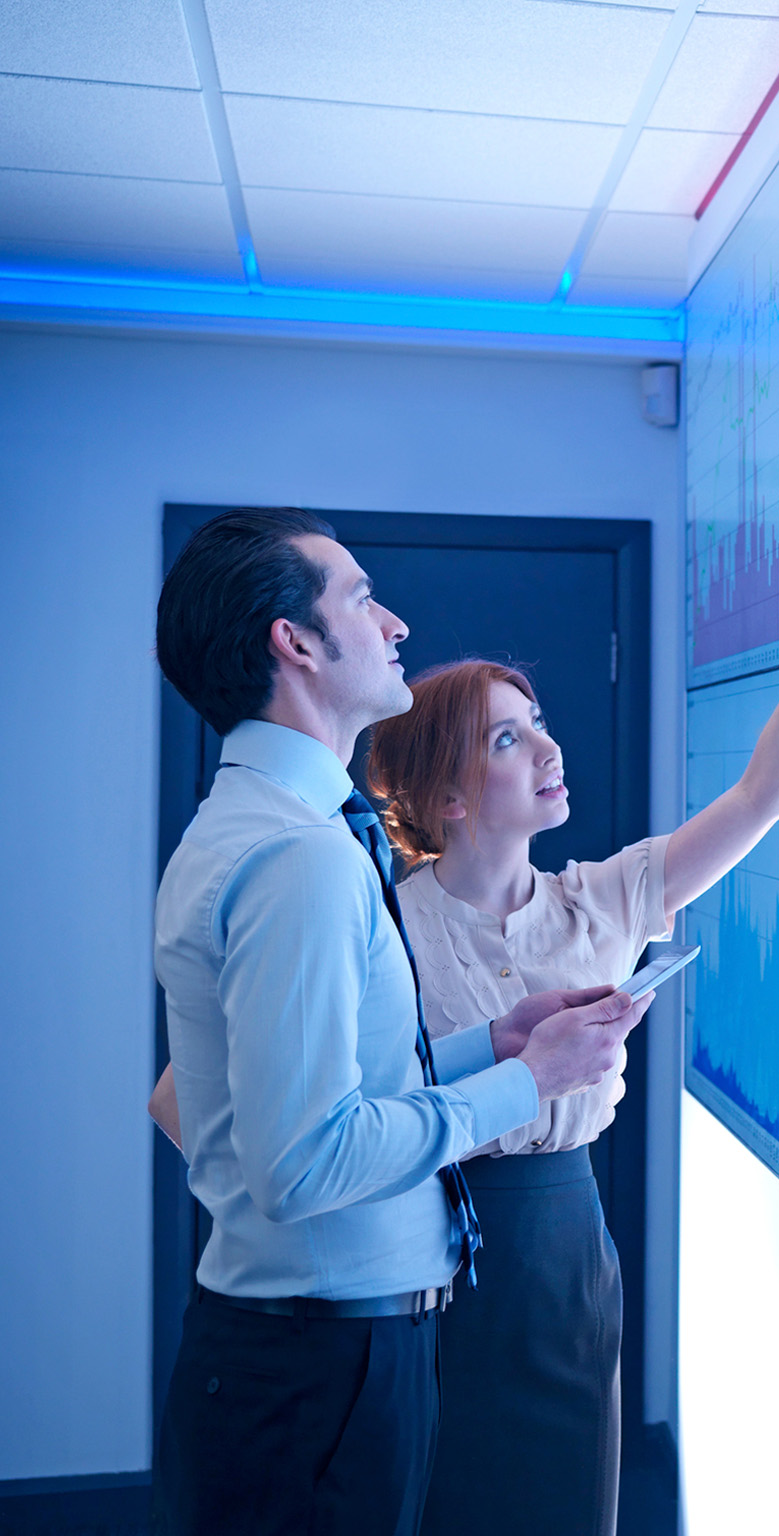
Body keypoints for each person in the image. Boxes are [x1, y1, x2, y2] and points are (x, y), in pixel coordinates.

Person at [148, 508, 650, 1536]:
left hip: (306, 1361)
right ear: (294, 643)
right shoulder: (301, 855)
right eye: (364, 601)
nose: (398, 626)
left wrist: (493, 1045)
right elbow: (305, 1162)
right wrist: (527, 1084)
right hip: (320, 1373)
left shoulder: (268, 827)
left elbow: (312, 1099)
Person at [364, 511, 779, 1536]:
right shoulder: (381, 921)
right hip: (421, 1246)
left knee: (565, 1502)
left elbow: (766, 795)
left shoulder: (608, 897)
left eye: (538, 723)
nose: (548, 746)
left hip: (565, 1246)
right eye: (508, 737)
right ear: (449, 797)